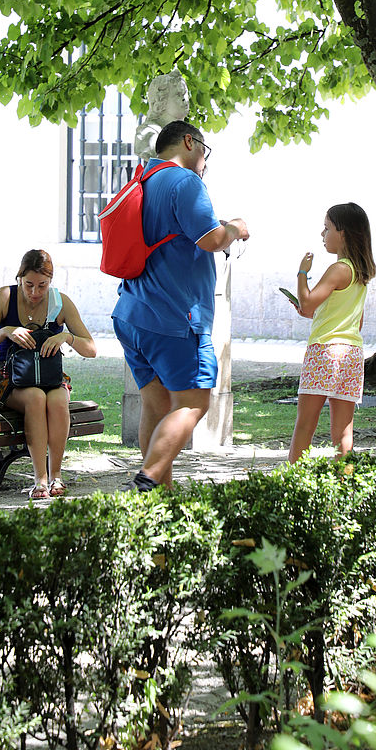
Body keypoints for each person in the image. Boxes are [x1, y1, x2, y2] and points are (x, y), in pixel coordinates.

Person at [112, 120, 249, 490]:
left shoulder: (144, 178)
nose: (205, 161)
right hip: (174, 318)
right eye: (204, 151)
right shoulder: (186, 181)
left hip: (132, 313)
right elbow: (211, 240)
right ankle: (149, 476)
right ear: (190, 142)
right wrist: (235, 227)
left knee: (156, 407)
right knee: (194, 403)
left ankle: (161, 500)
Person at [0, 249, 97, 501]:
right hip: (10, 380)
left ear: (50, 281)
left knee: (57, 399)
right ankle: (40, 478)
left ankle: (56, 476)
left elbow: (91, 349)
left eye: (42, 285)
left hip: (50, 378)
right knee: (35, 399)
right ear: (19, 277)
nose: (34, 292)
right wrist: (6, 331)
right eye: (28, 284)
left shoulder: (59, 302)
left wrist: (67, 336)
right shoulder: (5, 297)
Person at [287, 202, 376, 464]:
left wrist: (302, 272)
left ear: (343, 233)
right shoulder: (360, 273)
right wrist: (312, 311)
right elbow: (353, 323)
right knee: (343, 429)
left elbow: (306, 302)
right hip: (351, 355)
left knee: (306, 423)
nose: (323, 235)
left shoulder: (338, 269)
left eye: (327, 229)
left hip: (324, 352)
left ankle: (293, 482)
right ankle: (344, 482)